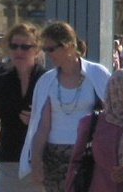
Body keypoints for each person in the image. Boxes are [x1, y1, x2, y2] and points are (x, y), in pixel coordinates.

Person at [18, 21, 111, 192]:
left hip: (88, 153)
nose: (47, 54)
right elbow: (42, 126)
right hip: (55, 156)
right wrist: (36, 160)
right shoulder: (47, 81)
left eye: (51, 49)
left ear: (68, 46)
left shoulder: (96, 74)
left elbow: (112, 115)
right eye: (44, 50)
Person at [0, 23, 44, 192]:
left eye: (25, 47)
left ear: (37, 50)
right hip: (9, 159)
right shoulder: (1, 81)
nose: (19, 51)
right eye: (14, 46)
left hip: (40, 161)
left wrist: (37, 122)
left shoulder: (47, 79)